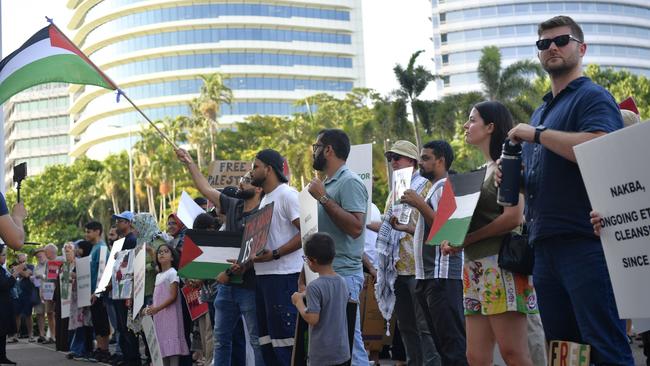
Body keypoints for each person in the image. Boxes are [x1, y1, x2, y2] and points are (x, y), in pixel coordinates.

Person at [504, 15, 634, 364]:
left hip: (587, 242)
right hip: (545, 245)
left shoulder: (592, 96)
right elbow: (547, 174)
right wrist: (514, 178)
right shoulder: (541, 110)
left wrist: (538, 135)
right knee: (564, 352)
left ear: (582, 47)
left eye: (561, 41)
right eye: (544, 44)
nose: (552, 48)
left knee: (605, 347)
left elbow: (599, 147)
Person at [441, 101, 536, 365]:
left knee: (513, 352)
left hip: (501, 265)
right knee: (476, 356)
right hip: (474, 268)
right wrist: (452, 236)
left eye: (472, 120)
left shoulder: (510, 162)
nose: (465, 125)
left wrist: (466, 239)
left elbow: (514, 218)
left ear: (490, 126)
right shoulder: (481, 172)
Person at [176, 147, 266, 366]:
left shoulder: (265, 211)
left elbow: (260, 251)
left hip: (249, 286)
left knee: (256, 340)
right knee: (221, 340)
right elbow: (205, 188)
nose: (241, 182)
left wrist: (242, 266)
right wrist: (189, 162)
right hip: (226, 286)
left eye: (247, 179)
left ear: (259, 189)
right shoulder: (233, 205)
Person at [394, 140, 467, 365]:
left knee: (451, 345)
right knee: (441, 344)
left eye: (425, 158)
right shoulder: (435, 188)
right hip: (429, 277)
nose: (421, 163)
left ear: (441, 160)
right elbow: (432, 229)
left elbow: (450, 230)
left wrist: (419, 204)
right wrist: (407, 227)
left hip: (442, 276)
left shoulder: (446, 185)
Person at [306, 129, 369, 365]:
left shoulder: (349, 182)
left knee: (350, 344)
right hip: (328, 275)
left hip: (344, 276)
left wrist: (323, 199)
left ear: (328, 150)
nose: (315, 152)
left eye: (317, 147)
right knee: (335, 343)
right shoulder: (329, 183)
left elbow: (355, 228)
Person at [374, 140, 436, 366]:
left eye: (397, 158)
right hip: (397, 268)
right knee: (407, 327)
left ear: (411, 161)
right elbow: (387, 225)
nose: (393, 163)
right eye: (390, 159)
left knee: (425, 328)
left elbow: (433, 226)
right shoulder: (394, 192)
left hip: (419, 266)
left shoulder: (426, 186)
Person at [249, 148, 302, 366]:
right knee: (268, 342)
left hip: (284, 277)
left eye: (255, 167)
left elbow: (307, 232)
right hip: (264, 278)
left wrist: (276, 254)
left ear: (268, 169)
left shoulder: (288, 195)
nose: (251, 172)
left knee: (286, 342)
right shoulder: (264, 199)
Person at [291, 233, 350, 366]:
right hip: (342, 352)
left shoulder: (314, 286)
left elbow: (313, 318)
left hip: (322, 355)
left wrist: (298, 302)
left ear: (313, 261)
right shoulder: (342, 281)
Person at [145, 244, 189, 366]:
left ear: (172, 257)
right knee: (162, 348)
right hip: (159, 316)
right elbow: (157, 297)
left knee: (172, 349)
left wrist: (157, 308)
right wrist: (150, 308)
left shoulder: (173, 273)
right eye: (159, 252)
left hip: (171, 316)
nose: (162, 253)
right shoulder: (158, 275)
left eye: (166, 251)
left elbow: (173, 296)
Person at [111, 211, 141, 366]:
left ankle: (133, 359)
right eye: (117, 221)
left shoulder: (132, 240)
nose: (117, 223)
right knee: (122, 327)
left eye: (120, 221)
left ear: (129, 223)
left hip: (127, 290)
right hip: (119, 290)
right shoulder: (123, 241)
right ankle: (127, 357)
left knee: (128, 327)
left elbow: (131, 265)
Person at [85, 221, 112, 363]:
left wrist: (98, 292)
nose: (86, 234)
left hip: (99, 293)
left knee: (102, 322)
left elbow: (103, 273)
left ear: (97, 231)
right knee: (96, 321)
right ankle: (100, 349)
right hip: (92, 293)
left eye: (89, 231)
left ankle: (105, 350)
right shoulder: (94, 248)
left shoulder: (101, 248)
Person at [67, 241, 95, 361]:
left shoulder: (87, 261)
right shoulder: (80, 261)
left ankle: (84, 350)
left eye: (78, 248)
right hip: (78, 296)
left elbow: (78, 274)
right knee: (80, 325)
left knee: (85, 325)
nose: (76, 251)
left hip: (85, 296)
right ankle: (78, 349)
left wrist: (73, 275)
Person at [0, 243, 18, 365]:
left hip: (5, 304)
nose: (5, 257)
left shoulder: (2, 268)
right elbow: (3, 285)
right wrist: (14, 275)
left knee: (2, 333)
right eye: (3, 255)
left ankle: (2, 356)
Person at [12, 253, 35, 342]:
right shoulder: (13, 266)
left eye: (24, 261)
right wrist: (17, 269)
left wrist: (17, 270)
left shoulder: (31, 266)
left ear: (26, 259)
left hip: (27, 294)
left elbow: (26, 275)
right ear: (18, 260)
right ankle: (15, 335)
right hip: (17, 294)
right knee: (16, 315)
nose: (22, 263)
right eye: (20, 261)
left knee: (28, 315)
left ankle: (30, 335)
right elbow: (11, 277)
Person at [32, 247, 48, 343]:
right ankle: (42, 334)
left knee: (51, 313)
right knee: (39, 313)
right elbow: (34, 280)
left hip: (49, 292)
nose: (39, 257)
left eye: (40, 255)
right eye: (37, 256)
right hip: (39, 292)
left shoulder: (50, 263)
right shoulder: (36, 267)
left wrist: (42, 276)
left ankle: (52, 334)